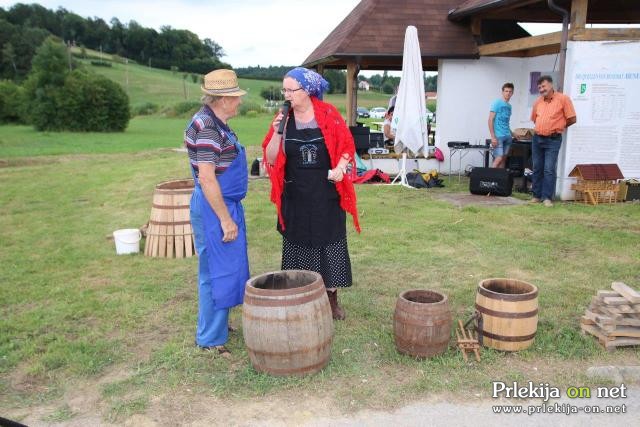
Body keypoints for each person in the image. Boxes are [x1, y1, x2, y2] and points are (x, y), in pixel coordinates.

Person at [262, 67, 360, 320]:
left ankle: (331, 299)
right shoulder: (283, 118)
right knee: (298, 244)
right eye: (284, 89)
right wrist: (277, 132)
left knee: (330, 244)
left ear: (306, 91)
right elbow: (271, 158)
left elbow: (347, 145)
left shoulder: (327, 114)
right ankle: (300, 296)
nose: (286, 95)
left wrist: (340, 167)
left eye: (290, 90)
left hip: (325, 195)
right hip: (295, 196)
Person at [184, 69, 249, 356]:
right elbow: (207, 178)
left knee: (226, 268)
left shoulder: (213, 120)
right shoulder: (209, 128)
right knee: (215, 271)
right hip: (215, 208)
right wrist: (225, 219)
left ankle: (218, 322)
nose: (239, 102)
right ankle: (211, 338)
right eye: (235, 97)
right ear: (222, 99)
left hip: (222, 204)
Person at [530, 75, 577, 207]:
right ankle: (536, 196)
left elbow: (572, 118)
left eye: (543, 86)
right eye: (539, 87)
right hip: (537, 138)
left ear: (551, 85)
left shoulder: (563, 99)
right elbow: (534, 119)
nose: (541, 89)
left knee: (549, 168)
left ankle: (547, 198)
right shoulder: (537, 101)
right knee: (537, 167)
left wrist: (559, 125)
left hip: (553, 139)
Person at [488, 83, 514, 168]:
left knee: (503, 159)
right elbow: (490, 120)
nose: (508, 93)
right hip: (498, 136)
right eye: (506, 91)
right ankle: (489, 180)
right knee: (498, 158)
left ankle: (500, 180)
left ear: (512, 93)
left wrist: (512, 133)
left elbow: (506, 123)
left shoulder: (509, 106)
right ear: (502, 92)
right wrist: (493, 137)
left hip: (508, 136)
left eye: (510, 91)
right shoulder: (497, 103)